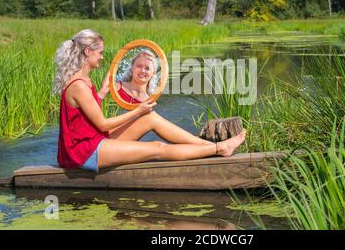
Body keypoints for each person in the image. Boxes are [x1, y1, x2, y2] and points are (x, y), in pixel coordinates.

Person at [53, 29, 246, 172]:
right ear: (87, 52)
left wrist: (102, 93)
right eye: (100, 53)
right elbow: (102, 122)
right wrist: (137, 111)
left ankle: (203, 146)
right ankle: (219, 148)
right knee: (157, 148)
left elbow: (84, 118)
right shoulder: (78, 84)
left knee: (150, 118)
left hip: (92, 140)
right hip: (83, 152)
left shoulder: (84, 80)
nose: (102, 57)